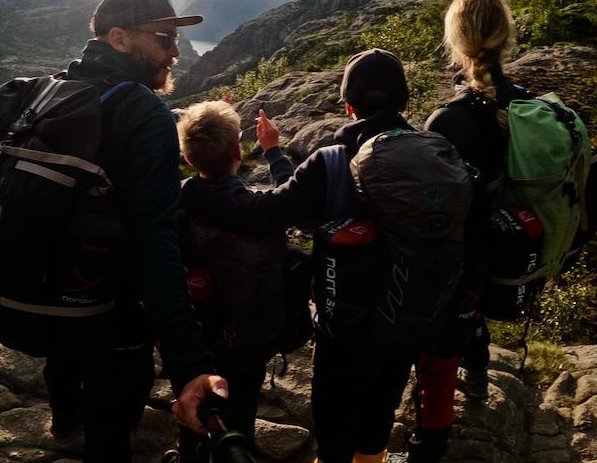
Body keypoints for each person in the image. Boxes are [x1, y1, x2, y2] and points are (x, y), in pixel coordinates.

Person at [180, 49, 457, 463]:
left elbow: (266, 212)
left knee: (335, 416)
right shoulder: (436, 158)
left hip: (343, 320)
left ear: (348, 106)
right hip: (409, 313)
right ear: (404, 104)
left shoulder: (330, 161)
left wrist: (190, 189)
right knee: (380, 405)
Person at [45, 0, 228, 462]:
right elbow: (156, 239)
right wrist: (189, 364)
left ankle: (64, 420)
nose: (174, 50)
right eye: (164, 36)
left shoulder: (54, 92)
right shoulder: (144, 113)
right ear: (119, 38)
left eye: (176, 39)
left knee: (67, 360)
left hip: (51, 292)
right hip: (110, 311)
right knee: (112, 424)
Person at [173, 100, 297, 461]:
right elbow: (294, 194)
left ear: (188, 159)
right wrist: (273, 151)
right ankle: (236, 449)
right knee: (241, 401)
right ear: (237, 151)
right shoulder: (259, 208)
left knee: (192, 396)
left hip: (196, 330)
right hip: (248, 336)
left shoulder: (176, 200)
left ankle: (191, 453)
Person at [423, 0, 530, 402]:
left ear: (456, 41)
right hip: (513, 242)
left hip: (464, 253)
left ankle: (437, 419)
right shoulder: (528, 106)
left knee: (445, 329)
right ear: (506, 37)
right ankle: (479, 371)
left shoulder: (449, 119)